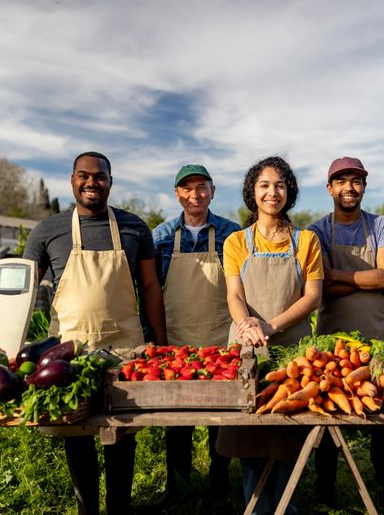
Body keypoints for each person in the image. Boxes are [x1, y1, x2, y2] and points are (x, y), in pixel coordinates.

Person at [23, 151, 167, 515]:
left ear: (110, 182)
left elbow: (150, 288)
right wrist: (12, 342)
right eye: (83, 176)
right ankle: (86, 507)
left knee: (122, 434)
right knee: (77, 431)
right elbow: (23, 291)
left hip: (126, 350)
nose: (92, 182)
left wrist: (161, 344)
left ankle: (120, 506)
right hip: (70, 351)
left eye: (99, 176)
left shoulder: (135, 228)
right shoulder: (47, 231)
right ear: (71, 180)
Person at [216, 156, 323, 515]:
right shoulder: (236, 242)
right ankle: (257, 506)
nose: (271, 192)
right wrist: (247, 325)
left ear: (289, 191)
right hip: (246, 348)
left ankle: (284, 504)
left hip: (292, 350)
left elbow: (312, 297)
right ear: (252, 192)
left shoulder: (306, 241)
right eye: (263, 185)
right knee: (249, 431)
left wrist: (271, 326)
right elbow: (234, 294)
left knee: (288, 431)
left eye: (279, 185)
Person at [306, 157, 384, 510]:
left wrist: (337, 276)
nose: (349, 187)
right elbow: (319, 288)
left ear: (364, 186)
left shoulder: (381, 225)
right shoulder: (315, 232)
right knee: (329, 410)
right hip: (332, 342)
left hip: (377, 337)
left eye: (356, 181)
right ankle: (325, 489)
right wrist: (368, 281)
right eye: (341, 181)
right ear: (329, 188)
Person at [152, 164, 240, 512]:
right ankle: (178, 485)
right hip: (176, 344)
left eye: (201, 187)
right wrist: (155, 340)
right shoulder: (160, 237)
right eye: (186, 189)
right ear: (177, 195)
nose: (195, 195)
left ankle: (218, 485)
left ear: (213, 191)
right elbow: (152, 292)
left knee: (220, 422)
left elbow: (241, 290)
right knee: (177, 423)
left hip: (220, 340)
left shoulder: (232, 235)